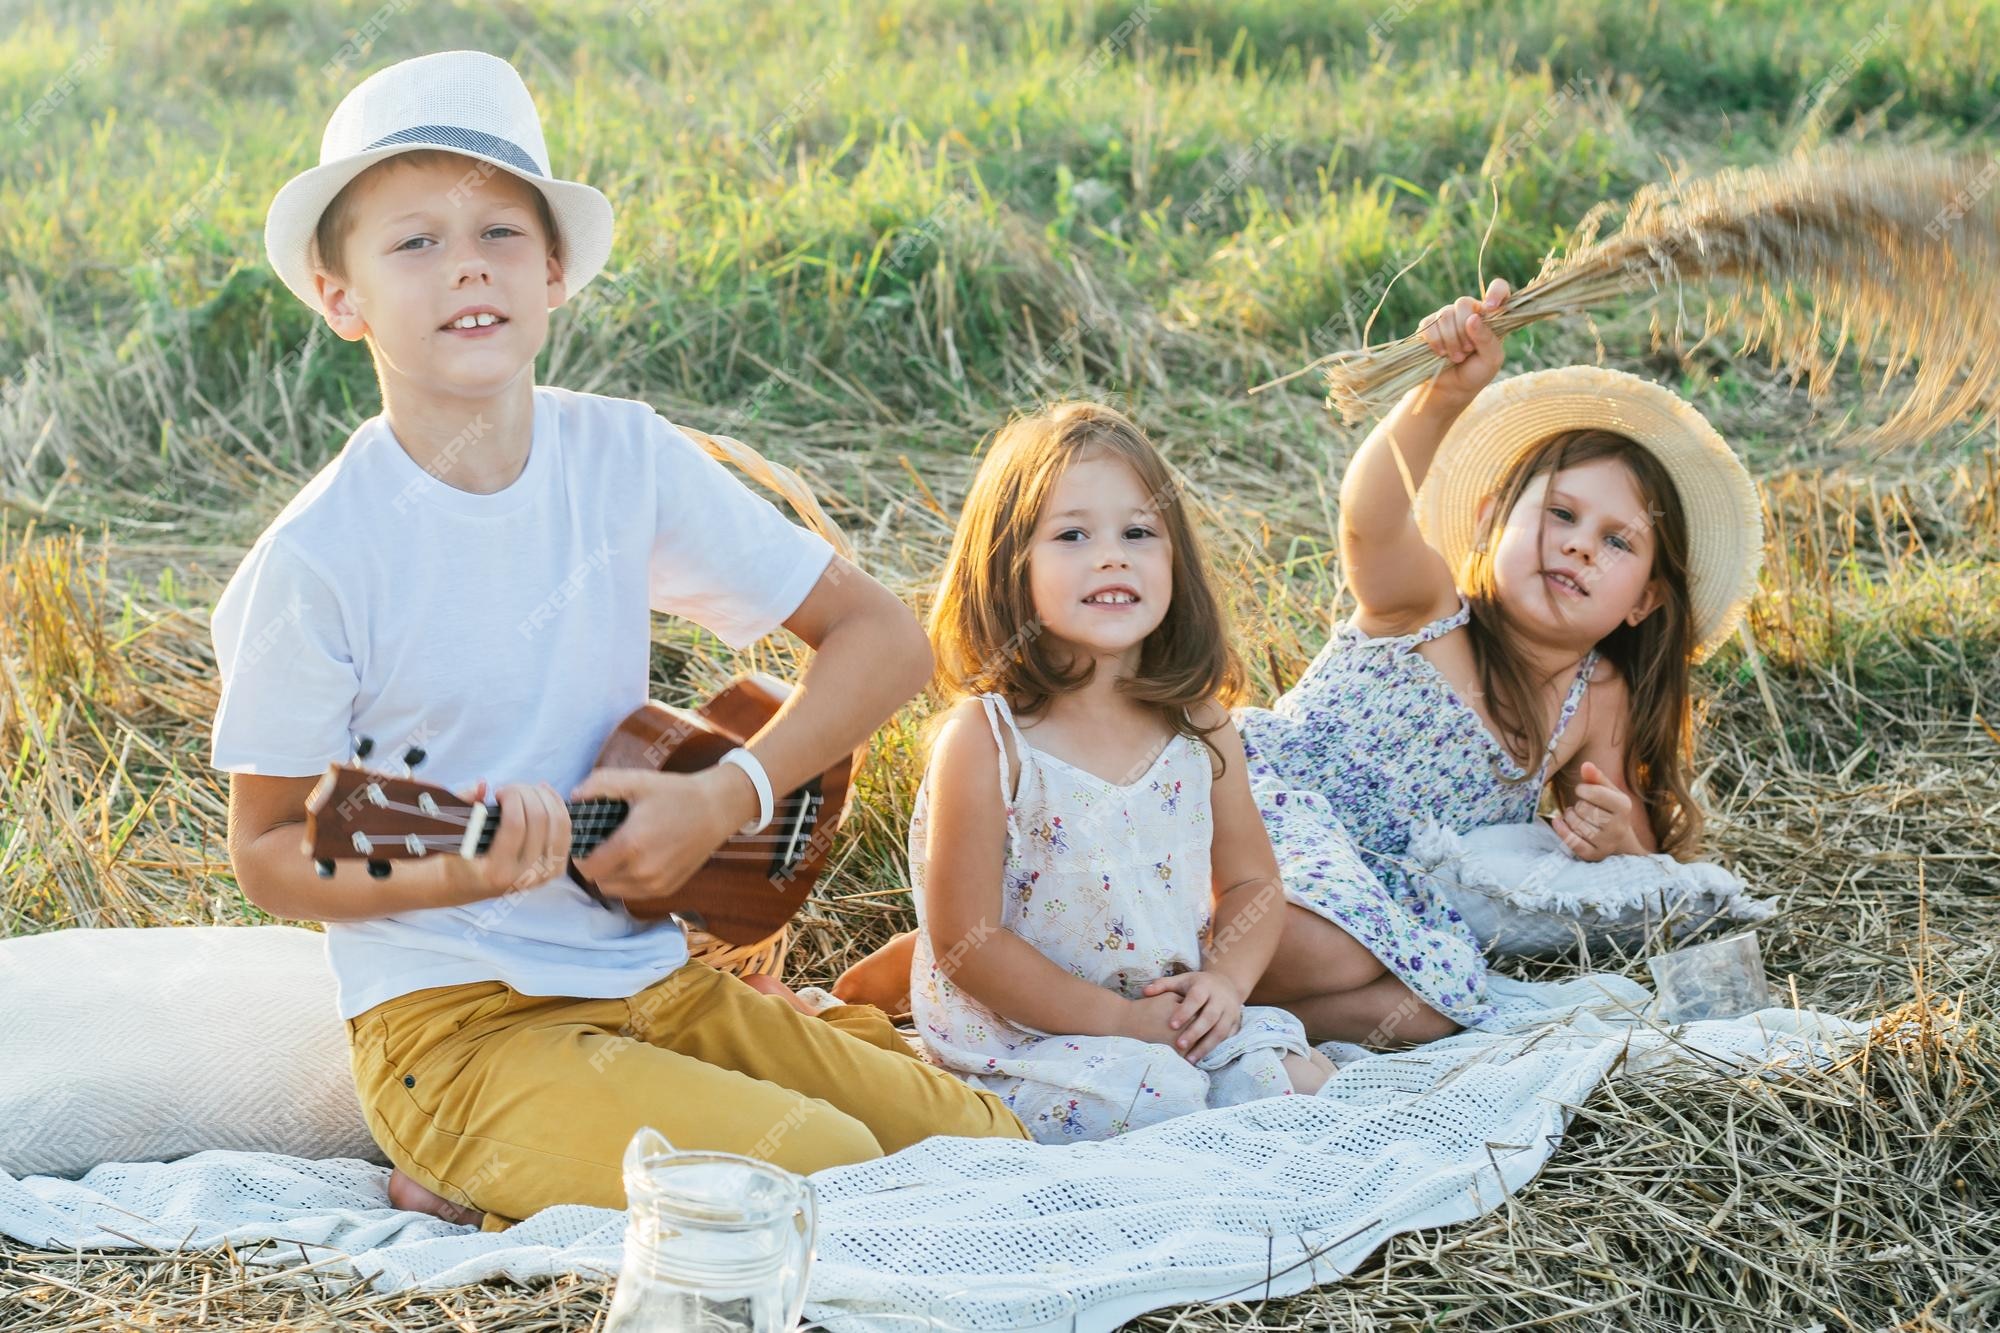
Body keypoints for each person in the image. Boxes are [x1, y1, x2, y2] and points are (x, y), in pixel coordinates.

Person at [211, 50, 1026, 1232]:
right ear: (342, 299)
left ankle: (564, 1155)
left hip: (650, 973)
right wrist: (464, 871)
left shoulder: (621, 457)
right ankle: (471, 1159)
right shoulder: (319, 557)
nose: (467, 267)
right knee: (816, 1181)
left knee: (979, 1147)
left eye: (499, 230)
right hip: (453, 1021)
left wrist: (723, 797)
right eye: (414, 243)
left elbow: (882, 640)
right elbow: (271, 848)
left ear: (550, 273)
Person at [1238, 278, 1764, 1044]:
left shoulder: (1595, 697)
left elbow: (1639, 859)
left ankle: (1215, 1020)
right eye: (1561, 513)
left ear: (1643, 601)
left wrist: (1616, 838)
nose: (1582, 543)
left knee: (1438, 1005)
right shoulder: (1425, 611)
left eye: (1618, 541)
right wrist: (1443, 396)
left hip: (1384, 897)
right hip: (1268, 829)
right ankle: (1213, 987)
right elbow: (1369, 516)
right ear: (1489, 520)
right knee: (1319, 940)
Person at [879, 401, 1335, 1142]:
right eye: (1072, 535)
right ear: (1006, 566)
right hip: (1029, 1039)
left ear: (1174, 561)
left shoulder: (1200, 725)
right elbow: (968, 939)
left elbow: (1253, 885)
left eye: (1138, 532)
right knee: (1154, 1099)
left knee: (1283, 1076)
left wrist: (1223, 983)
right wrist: (1121, 1024)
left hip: (1167, 1016)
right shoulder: (989, 741)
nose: (1112, 555)